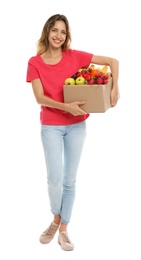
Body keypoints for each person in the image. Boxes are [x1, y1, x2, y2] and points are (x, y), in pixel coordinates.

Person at [26, 14, 119, 251]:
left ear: (67, 36)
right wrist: (66, 107)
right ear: (47, 32)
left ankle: (63, 228)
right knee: (54, 180)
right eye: (55, 30)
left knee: (69, 180)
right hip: (51, 126)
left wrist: (114, 87)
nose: (58, 35)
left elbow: (112, 61)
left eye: (63, 32)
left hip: (77, 126)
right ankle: (54, 219)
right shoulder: (34, 62)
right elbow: (40, 97)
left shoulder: (74, 56)